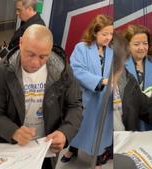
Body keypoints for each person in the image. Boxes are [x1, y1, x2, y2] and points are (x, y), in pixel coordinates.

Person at [0, 24, 83, 169]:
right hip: (10, 148)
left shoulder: (62, 70)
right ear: (20, 43)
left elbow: (75, 105)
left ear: (50, 51)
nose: (36, 63)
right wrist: (13, 131)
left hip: (46, 149)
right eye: (30, 54)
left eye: (43, 57)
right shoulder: (2, 72)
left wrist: (65, 133)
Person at [61, 15, 113, 169]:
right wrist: (100, 81)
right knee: (80, 127)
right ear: (95, 32)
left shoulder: (112, 51)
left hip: (105, 99)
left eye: (110, 34)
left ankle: (97, 156)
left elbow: (117, 72)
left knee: (100, 129)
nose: (108, 38)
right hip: (87, 97)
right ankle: (73, 148)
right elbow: (76, 70)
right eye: (104, 34)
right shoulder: (82, 48)